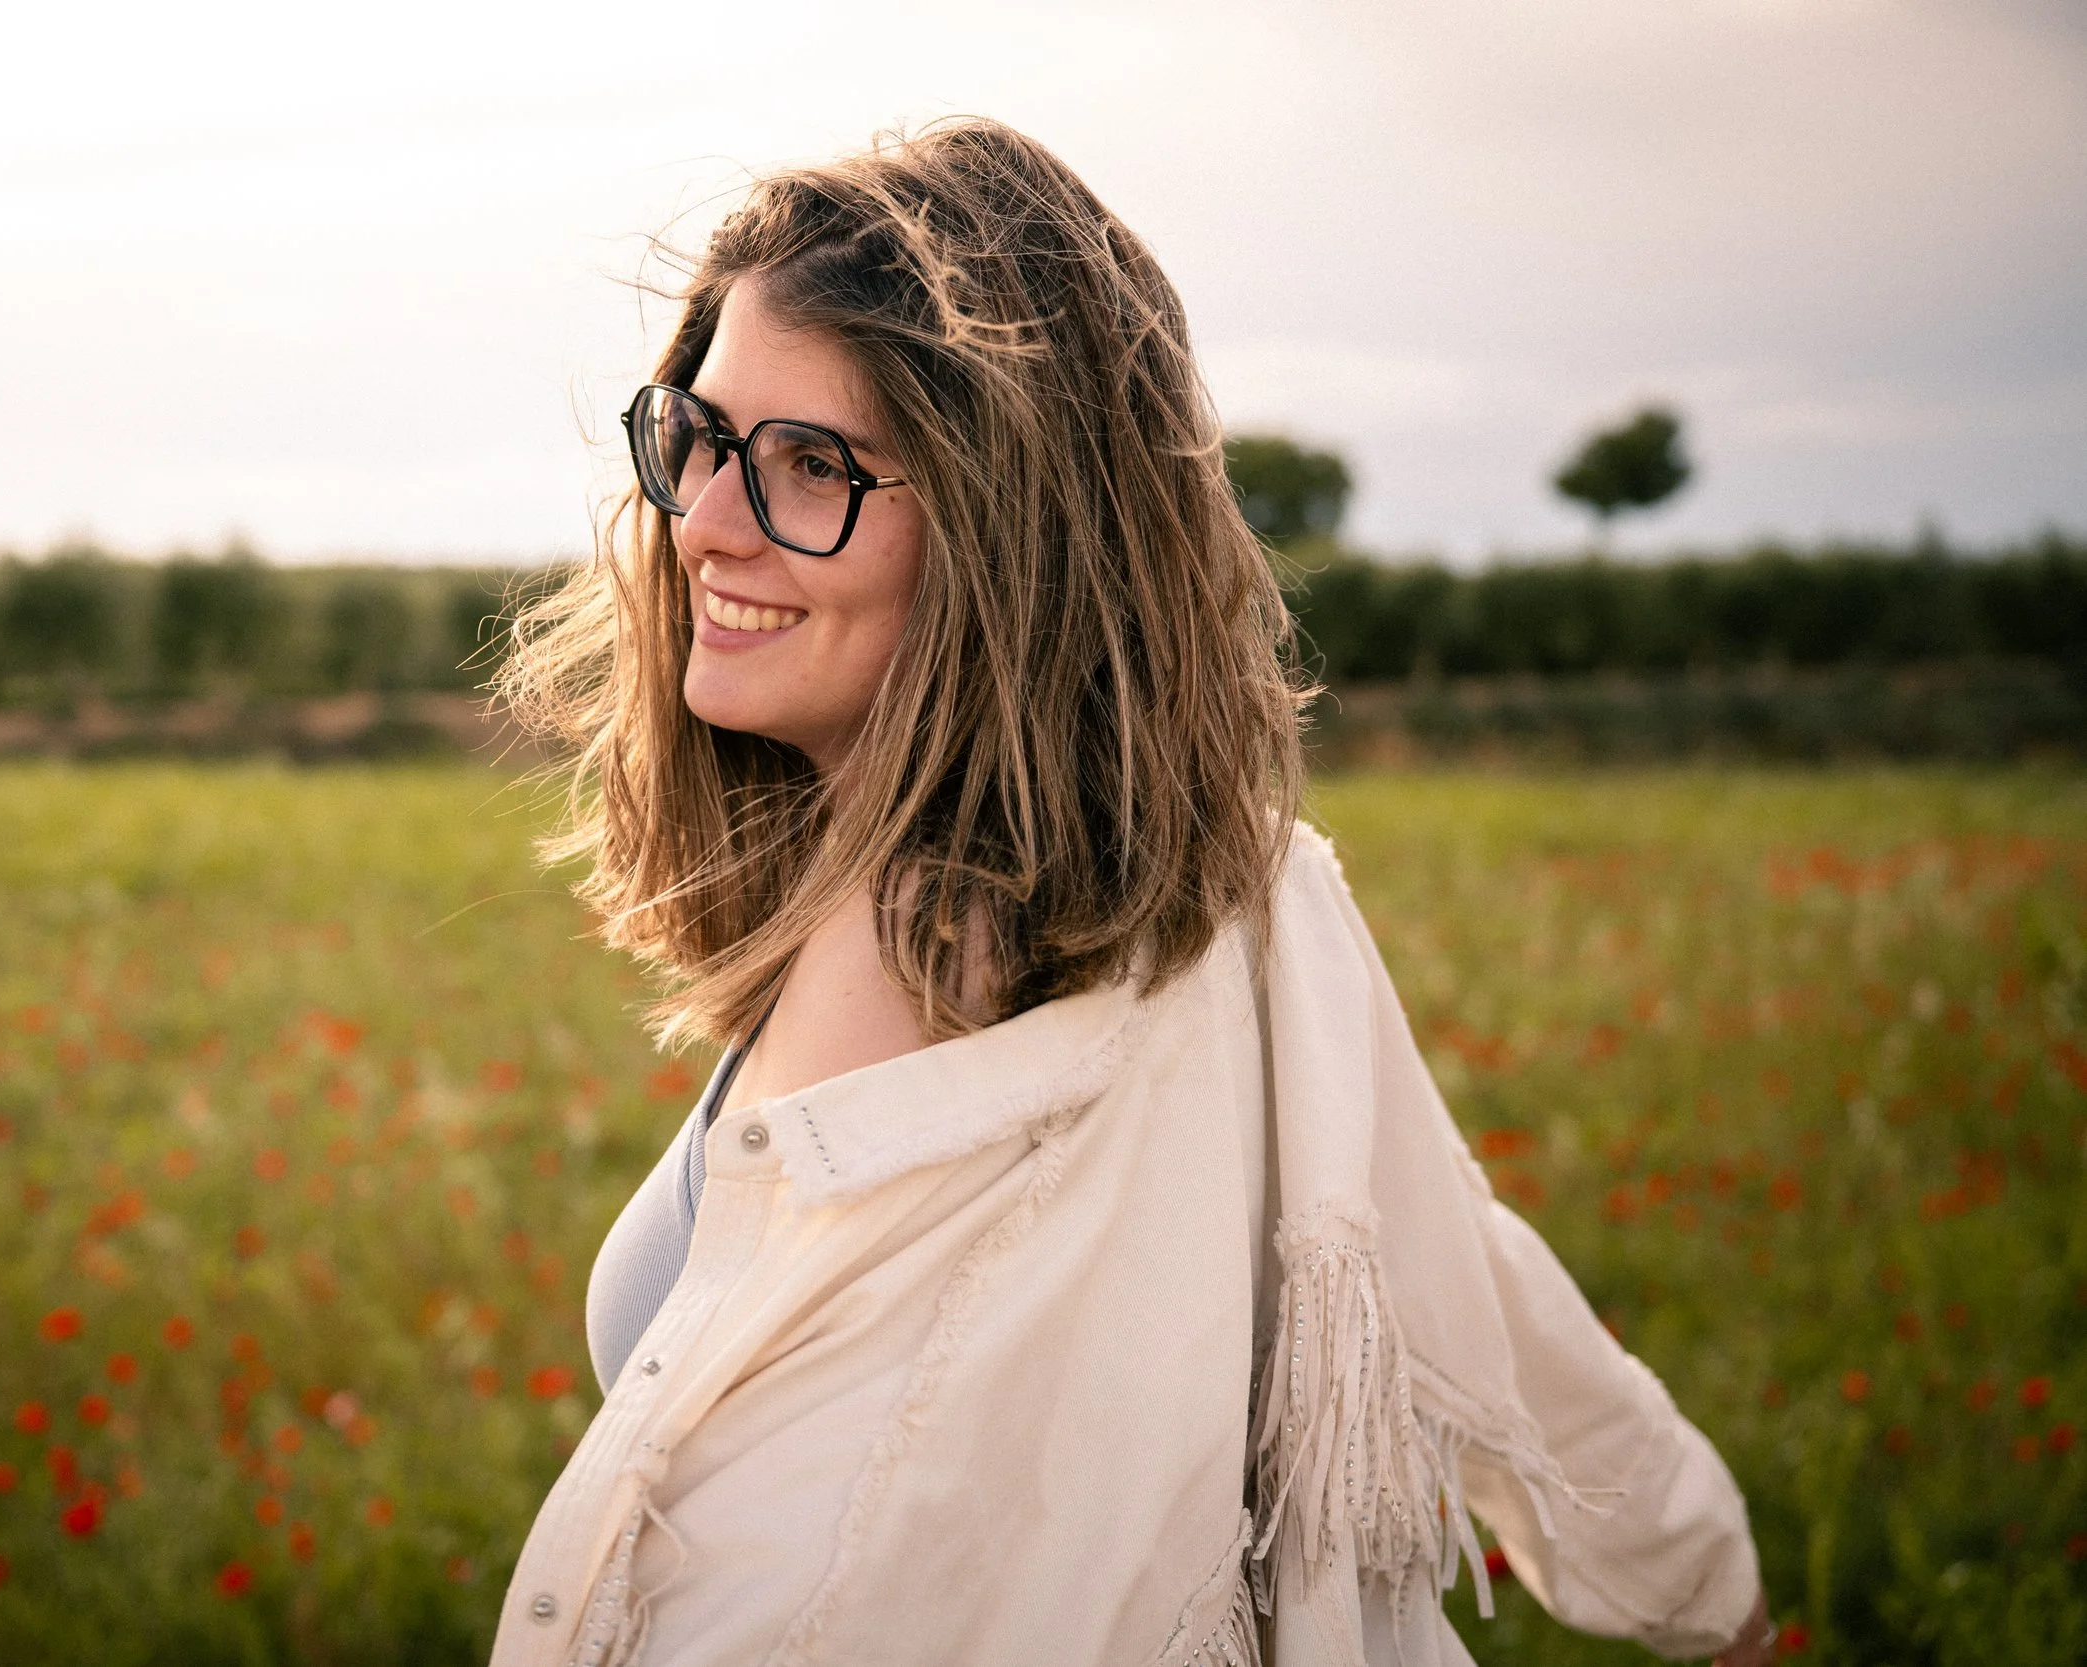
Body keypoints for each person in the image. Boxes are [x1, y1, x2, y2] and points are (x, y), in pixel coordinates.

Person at [490, 118, 1772, 1667]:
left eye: (813, 465)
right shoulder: (1179, 899)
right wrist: (1718, 1597)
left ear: (1016, 532)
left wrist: (1718, 1601)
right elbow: (1465, 1267)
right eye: (700, 433)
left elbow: (1451, 1279)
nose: (701, 520)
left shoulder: (1060, 941)